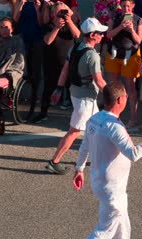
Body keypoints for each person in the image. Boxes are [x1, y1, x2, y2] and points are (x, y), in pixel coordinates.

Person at [61, 82, 142, 239]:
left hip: (102, 183)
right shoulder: (114, 126)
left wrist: (79, 169)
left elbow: (85, 145)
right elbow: (133, 154)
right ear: (120, 100)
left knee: (122, 224)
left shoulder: (94, 119)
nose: (127, 98)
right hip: (112, 189)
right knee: (104, 231)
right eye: (126, 96)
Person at [46, 17, 107, 175]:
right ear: (92, 35)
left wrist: (59, 87)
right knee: (74, 131)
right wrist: (114, 94)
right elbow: (99, 81)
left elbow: (65, 69)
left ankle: (96, 158)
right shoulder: (93, 56)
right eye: (100, 33)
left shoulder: (75, 47)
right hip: (85, 100)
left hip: (77, 94)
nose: (102, 35)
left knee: (96, 128)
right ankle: (54, 161)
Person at [31, 1, 80, 123]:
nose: (61, 14)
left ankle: (77, 114)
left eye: (63, 11)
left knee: (72, 87)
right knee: (48, 87)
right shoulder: (49, 25)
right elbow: (48, 41)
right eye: (58, 12)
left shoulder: (70, 24)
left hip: (68, 63)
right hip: (51, 61)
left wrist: (69, 21)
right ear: (53, 13)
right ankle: (43, 112)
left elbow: (77, 35)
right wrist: (57, 27)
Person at [105, 0, 142, 128]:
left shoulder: (139, 20)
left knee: (130, 87)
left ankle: (133, 118)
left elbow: (139, 40)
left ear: (133, 6)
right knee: (113, 87)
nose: (126, 8)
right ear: (120, 6)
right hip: (114, 54)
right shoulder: (115, 18)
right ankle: (113, 117)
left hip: (131, 55)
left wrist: (131, 29)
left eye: (128, 6)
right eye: (123, 6)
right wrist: (121, 27)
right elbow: (109, 35)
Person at [13, 0, 43, 120]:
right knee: (23, 71)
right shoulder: (20, 2)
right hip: (22, 40)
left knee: (35, 73)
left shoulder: (40, 3)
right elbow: (15, 20)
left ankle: (33, 102)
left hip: (37, 40)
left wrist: (37, 9)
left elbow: (42, 24)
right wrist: (20, 5)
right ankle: (18, 100)